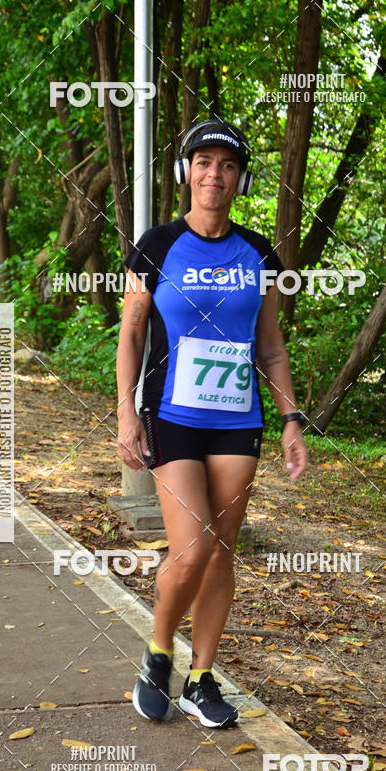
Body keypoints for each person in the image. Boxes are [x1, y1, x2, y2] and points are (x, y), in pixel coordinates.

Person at [116, 119, 308, 727]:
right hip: (171, 414)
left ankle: (201, 678)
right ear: (185, 172)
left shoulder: (259, 254)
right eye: (203, 162)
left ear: (240, 179)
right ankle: (158, 654)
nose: (214, 174)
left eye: (227, 165)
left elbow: (270, 345)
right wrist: (125, 409)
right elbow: (132, 332)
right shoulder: (157, 245)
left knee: (221, 551)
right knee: (193, 547)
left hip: (236, 420)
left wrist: (291, 418)